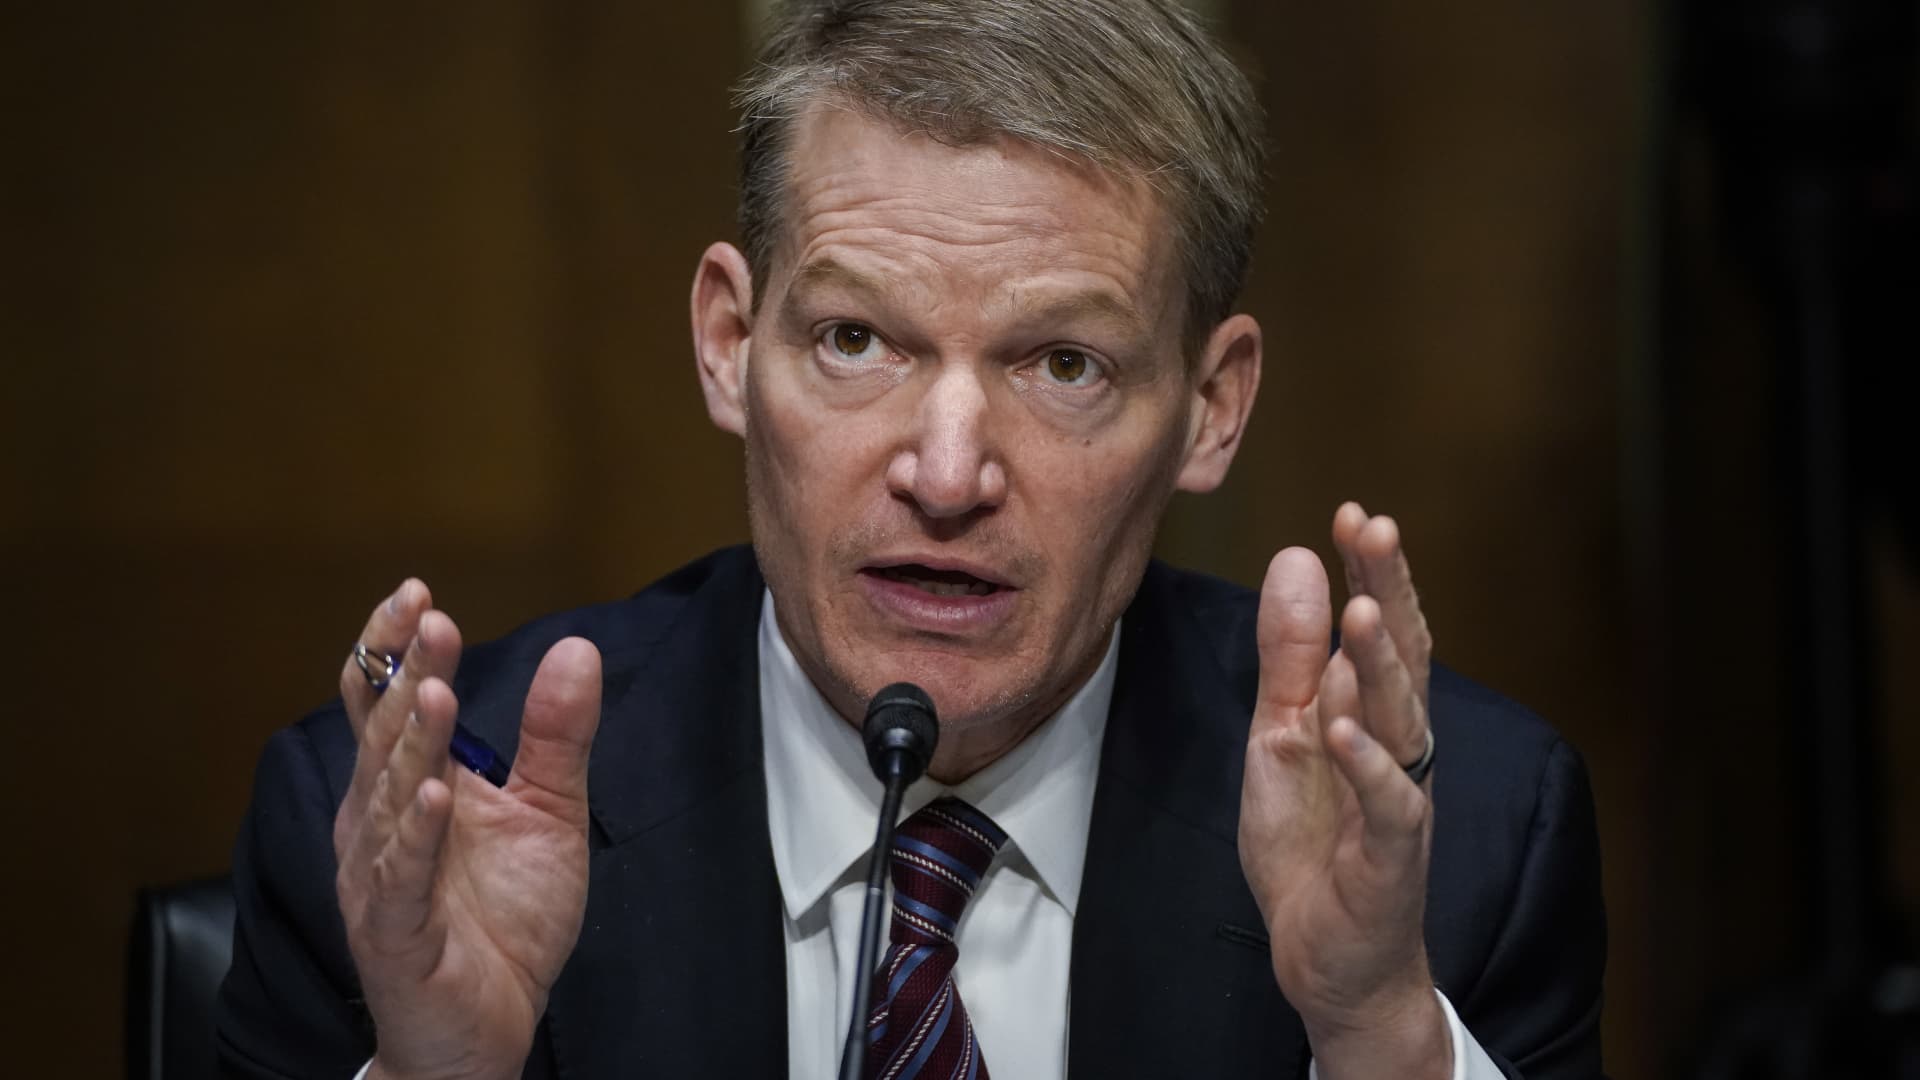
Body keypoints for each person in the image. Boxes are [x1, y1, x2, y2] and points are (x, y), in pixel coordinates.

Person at [216, 1, 1606, 1077]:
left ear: (1212, 407)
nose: (947, 475)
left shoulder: (1460, 849)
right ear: (727, 343)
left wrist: (1376, 1035)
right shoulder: (392, 846)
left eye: (1063, 364)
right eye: (856, 339)